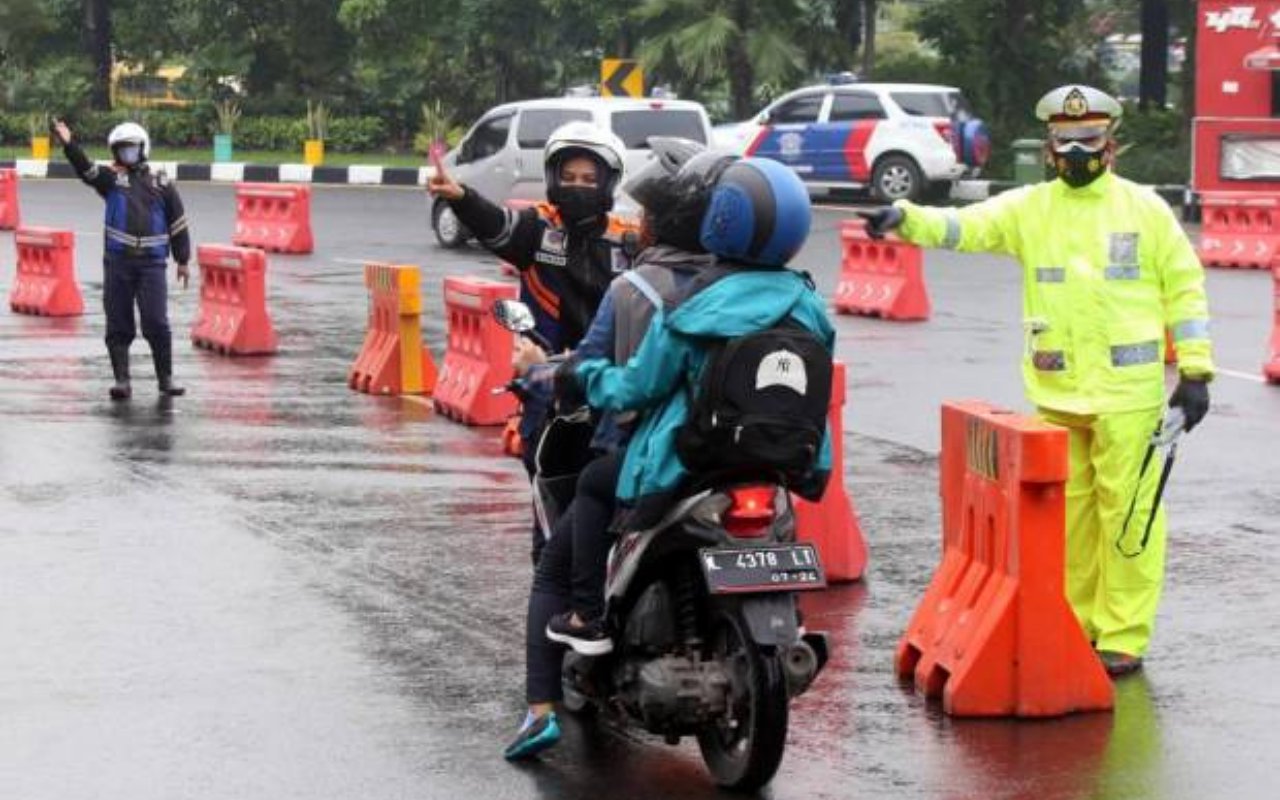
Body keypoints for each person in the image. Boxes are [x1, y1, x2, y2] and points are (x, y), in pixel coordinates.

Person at [859, 85, 1213, 677]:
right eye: (1065, 141)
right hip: (1057, 392)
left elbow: (1186, 289)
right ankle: (1077, 626)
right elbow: (964, 227)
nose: (1077, 151)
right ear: (1049, 149)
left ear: (1112, 146)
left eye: (1090, 140)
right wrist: (905, 218)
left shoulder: (1144, 209)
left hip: (1128, 397)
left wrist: (1197, 372)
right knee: (1069, 522)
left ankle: (1123, 635)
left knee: (1128, 518)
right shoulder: (1030, 209)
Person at [501, 139, 738, 761]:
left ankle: (549, 694)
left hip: (648, 458)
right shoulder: (750, 284)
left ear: (661, 219)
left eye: (645, 213)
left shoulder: (636, 288)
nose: (637, 222)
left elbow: (605, 371)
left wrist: (537, 370)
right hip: (739, 459)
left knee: (557, 556)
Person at [541, 156, 835, 657]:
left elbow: (636, 388)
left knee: (593, 485)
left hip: (691, 460)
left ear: (722, 219)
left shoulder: (697, 305)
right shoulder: (808, 304)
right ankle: (792, 616)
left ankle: (589, 617)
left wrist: (583, 375)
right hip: (786, 457)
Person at [428, 121, 638, 563]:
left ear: (609, 182)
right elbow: (496, 223)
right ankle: (553, 593)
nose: (578, 187)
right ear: (552, 178)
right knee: (551, 517)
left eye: (589, 179)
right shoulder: (538, 228)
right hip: (547, 389)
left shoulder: (627, 238)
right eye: (569, 177)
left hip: (612, 389)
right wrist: (461, 198)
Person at [50, 119, 191, 400]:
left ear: (142, 148)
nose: (125, 154)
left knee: (156, 322)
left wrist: (183, 260)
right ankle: (122, 381)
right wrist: (69, 143)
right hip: (118, 264)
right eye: (120, 149)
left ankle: (166, 379)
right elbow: (85, 169)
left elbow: (178, 224)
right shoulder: (111, 181)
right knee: (118, 323)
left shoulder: (162, 184)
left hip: (152, 265)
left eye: (130, 148)